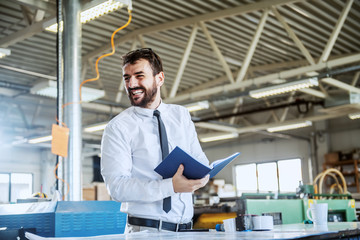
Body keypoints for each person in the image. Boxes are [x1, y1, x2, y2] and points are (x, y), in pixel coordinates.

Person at [101, 48, 210, 233]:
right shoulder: (118, 127)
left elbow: (200, 159)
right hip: (146, 231)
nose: (131, 84)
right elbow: (117, 187)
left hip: (186, 231)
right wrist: (170, 186)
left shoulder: (181, 115)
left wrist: (203, 175)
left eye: (139, 76)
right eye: (127, 78)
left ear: (159, 78)